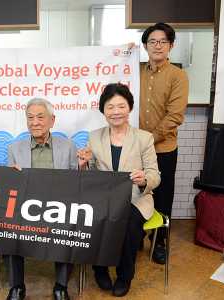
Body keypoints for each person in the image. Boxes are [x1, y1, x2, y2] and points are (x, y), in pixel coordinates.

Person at [77, 83, 160, 297]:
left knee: (130, 225)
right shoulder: (95, 137)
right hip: (104, 199)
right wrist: (84, 164)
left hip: (136, 199)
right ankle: (100, 268)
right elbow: (92, 175)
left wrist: (143, 180)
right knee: (93, 220)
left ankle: (124, 276)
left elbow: (155, 175)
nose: (116, 112)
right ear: (103, 111)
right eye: (110, 107)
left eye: (121, 106)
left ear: (129, 108)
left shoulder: (144, 138)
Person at [6, 98, 78, 300]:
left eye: (40, 117)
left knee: (69, 226)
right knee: (8, 227)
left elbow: (78, 181)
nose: (34, 122)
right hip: (26, 207)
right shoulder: (15, 148)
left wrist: (83, 165)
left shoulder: (68, 146)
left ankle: (61, 287)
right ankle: (17, 287)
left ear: (52, 120)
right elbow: (10, 187)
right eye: (30, 118)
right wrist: (10, 176)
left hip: (58, 208)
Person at [140, 22, 188, 264]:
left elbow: (175, 115)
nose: (157, 46)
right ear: (146, 46)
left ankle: (158, 242)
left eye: (162, 42)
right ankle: (136, 234)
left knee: (162, 195)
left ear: (171, 46)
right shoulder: (135, 72)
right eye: (152, 41)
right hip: (135, 149)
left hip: (163, 149)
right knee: (135, 192)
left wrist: (147, 140)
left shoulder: (178, 75)